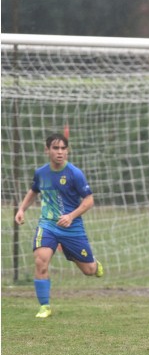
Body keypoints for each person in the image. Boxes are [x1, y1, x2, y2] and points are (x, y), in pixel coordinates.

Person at [14, 133, 104, 318]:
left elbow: (89, 201)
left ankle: (94, 264)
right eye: (56, 148)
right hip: (47, 225)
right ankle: (44, 306)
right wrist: (21, 209)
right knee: (41, 261)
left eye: (63, 148)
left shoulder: (75, 173)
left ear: (67, 150)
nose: (60, 152)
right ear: (47, 150)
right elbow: (34, 190)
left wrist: (71, 216)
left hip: (72, 228)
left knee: (89, 271)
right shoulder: (41, 173)